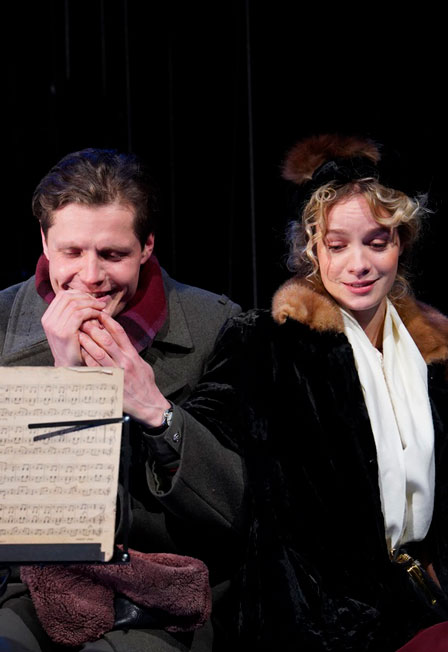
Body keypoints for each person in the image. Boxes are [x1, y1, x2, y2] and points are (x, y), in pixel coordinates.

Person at [180, 134, 448, 650]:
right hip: (315, 626)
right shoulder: (269, 344)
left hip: (421, 607)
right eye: (337, 245)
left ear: (401, 243)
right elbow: (204, 449)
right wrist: (151, 411)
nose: (359, 264)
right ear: (312, 249)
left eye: (377, 242)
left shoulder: (434, 350)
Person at [0, 148, 243, 651]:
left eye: (112, 255)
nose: (90, 276)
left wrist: (155, 409)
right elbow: (24, 523)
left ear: (146, 246)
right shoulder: (2, 324)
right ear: (44, 241)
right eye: (71, 252)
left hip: (162, 592)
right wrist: (67, 385)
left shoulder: (216, 325)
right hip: (32, 585)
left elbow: (237, 507)